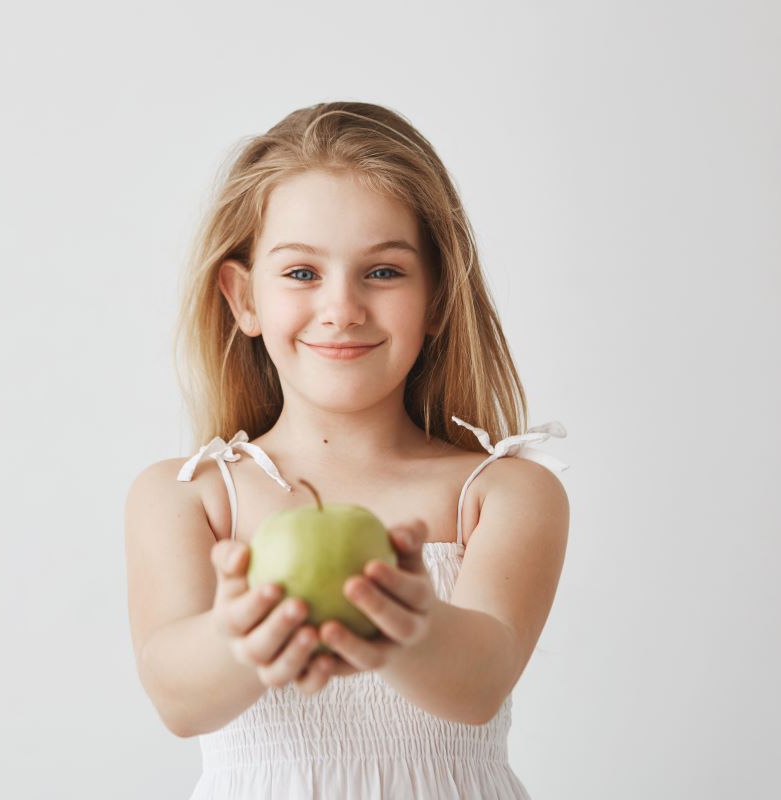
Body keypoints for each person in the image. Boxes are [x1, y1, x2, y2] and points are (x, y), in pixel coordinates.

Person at [124, 101, 571, 799]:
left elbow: (481, 684)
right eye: (301, 273)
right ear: (243, 298)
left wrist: (409, 626)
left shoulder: (502, 493)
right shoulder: (192, 495)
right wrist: (242, 635)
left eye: (384, 272)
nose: (342, 308)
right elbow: (178, 700)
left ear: (438, 299)